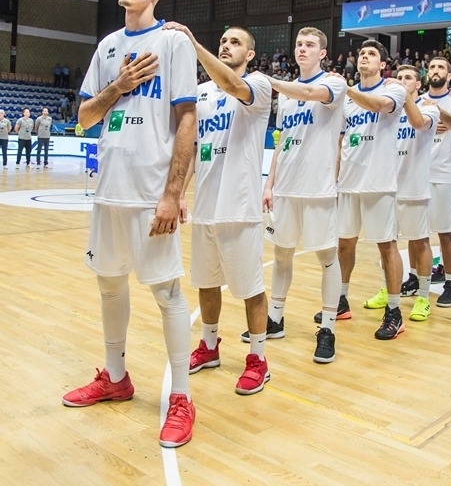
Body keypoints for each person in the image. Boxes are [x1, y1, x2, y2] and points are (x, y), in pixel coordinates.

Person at [64, 0, 198, 449]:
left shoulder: (173, 42)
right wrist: (118, 87)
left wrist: (172, 193)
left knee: (167, 293)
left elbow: (187, 120)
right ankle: (116, 377)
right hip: (110, 192)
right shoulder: (107, 47)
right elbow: (83, 117)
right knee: (109, 287)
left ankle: (181, 396)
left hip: (150, 195)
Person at [164, 22, 273, 394]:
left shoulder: (259, 84)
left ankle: (258, 358)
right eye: (223, 40)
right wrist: (179, 192)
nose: (227, 45)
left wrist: (194, 43)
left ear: (251, 53)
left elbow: (230, 84)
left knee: (250, 289)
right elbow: (193, 148)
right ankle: (209, 347)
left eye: (235, 42)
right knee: (206, 284)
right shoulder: (200, 93)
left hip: (240, 208)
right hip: (206, 207)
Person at [258, 27, 347, 362]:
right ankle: (276, 318)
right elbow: (282, 142)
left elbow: (312, 93)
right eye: (298, 44)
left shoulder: (334, 83)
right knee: (281, 256)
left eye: (310, 45)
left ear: (323, 53)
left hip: (318, 189)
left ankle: (327, 329)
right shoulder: (287, 96)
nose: (303, 49)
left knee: (326, 258)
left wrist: (271, 81)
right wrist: (269, 184)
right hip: (286, 189)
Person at [324, 40, 408, 338]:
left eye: (371, 54)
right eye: (361, 53)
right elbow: (340, 141)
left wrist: (346, 89)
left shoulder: (393, 89)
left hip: (379, 182)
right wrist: (333, 181)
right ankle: (342, 299)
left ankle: (395, 311)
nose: (364, 57)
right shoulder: (347, 100)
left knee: (387, 246)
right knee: (344, 244)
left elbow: (379, 106)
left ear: (382, 64)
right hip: (349, 183)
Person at [372, 65, 438, 323]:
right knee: (386, 244)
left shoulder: (429, 107)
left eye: (408, 78)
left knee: (419, 242)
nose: (401, 81)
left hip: (414, 186)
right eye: (398, 78)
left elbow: (419, 123)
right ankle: (389, 291)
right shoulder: (388, 108)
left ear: (418, 84)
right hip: (386, 184)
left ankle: (423, 297)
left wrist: (404, 95)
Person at [423, 57, 451, 307]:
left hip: (444, 174)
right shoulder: (417, 100)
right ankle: (416, 277)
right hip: (418, 174)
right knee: (417, 235)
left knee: (446, 233)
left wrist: (437, 110)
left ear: (449, 75)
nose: (436, 70)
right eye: (432, 67)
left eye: (441, 67)